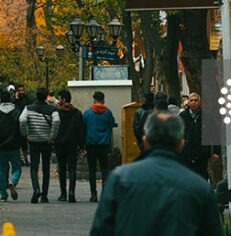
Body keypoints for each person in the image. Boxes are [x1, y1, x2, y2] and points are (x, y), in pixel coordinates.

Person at [89, 112, 222, 236]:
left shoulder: (119, 179)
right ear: (181, 144)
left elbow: (101, 230)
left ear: (145, 141)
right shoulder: (200, 188)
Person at [19, 88, 59, 203]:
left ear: (36, 96)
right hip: (47, 141)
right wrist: (52, 136)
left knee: (34, 168)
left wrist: (25, 134)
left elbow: (22, 120)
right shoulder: (52, 109)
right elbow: (56, 121)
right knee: (46, 168)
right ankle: (45, 195)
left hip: (34, 141)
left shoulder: (29, 108)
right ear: (46, 96)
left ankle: (36, 189)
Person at [82, 90, 116, 202]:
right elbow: (111, 124)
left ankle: (93, 194)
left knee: (92, 170)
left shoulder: (88, 113)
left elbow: (84, 126)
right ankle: (105, 194)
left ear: (94, 100)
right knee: (104, 169)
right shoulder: (108, 112)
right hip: (104, 144)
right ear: (103, 100)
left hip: (91, 144)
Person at [179, 93, 218, 183]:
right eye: (191, 100)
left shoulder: (207, 117)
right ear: (188, 102)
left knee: (202, 179)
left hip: (202, 155)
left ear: (199, 102)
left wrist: (216, 151)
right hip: (186, 155)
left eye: (196, 100)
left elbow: (214, 134)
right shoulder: (182, 117)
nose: (193, 103)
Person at [55, 89, 84, 203]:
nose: (58, 100)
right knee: (72, 169)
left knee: (62, 169)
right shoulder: (77, 113)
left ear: (64, 99)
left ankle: (63, 193)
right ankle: (72, 192)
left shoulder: (57, 113)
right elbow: (80, 130)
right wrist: (81, 145)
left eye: (60, 98)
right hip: (72, 145)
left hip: (60, 144)